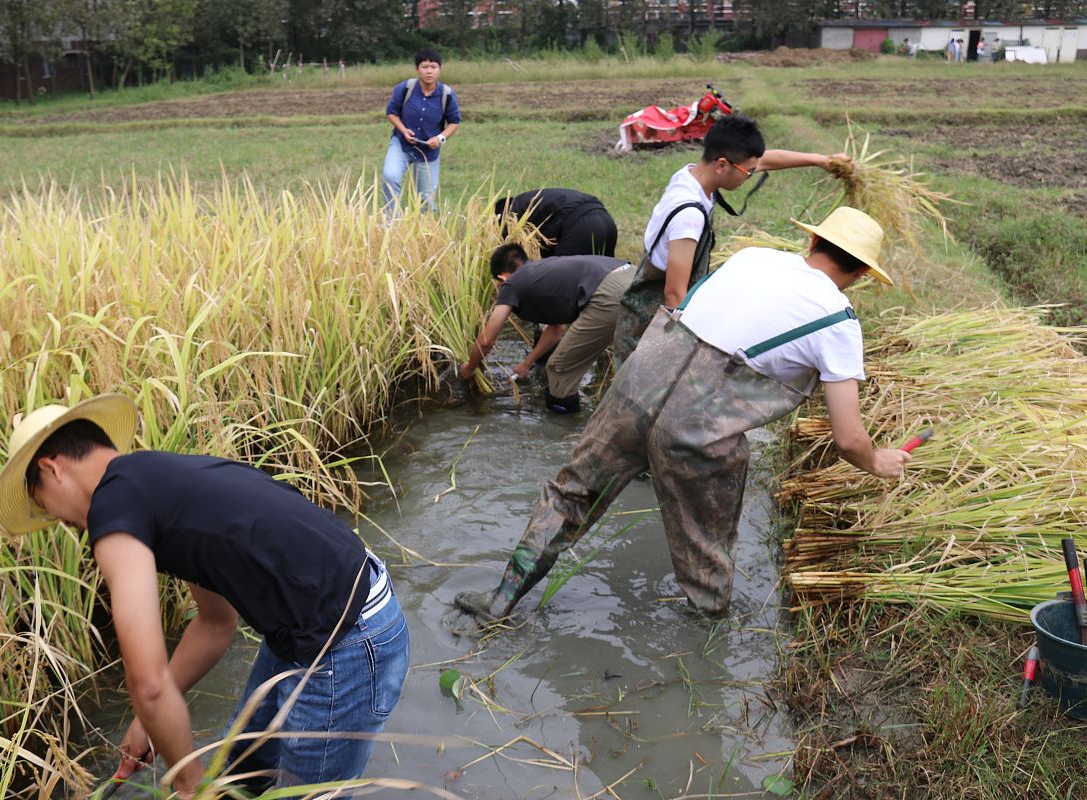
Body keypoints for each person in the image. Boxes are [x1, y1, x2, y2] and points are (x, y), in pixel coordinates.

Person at [455, 206, 911, 623]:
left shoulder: (751, 259)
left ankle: (500, 602)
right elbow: (849, 437)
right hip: (697, 431)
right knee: (705, 543)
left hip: (633, 391)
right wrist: (877, 461)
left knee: (569, 494)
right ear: (863, 274)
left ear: (812, 242)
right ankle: (707, 639)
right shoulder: (837, 321)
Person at [0, 396, 409, 796]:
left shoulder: (111, 506)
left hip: (348, 640)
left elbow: (149, 684)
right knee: (237, 777)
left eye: (43, 505)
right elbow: (215, 623)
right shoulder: (153, 481)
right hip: (322, 618)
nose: (61, 522)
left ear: (52, 468)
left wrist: (188, 786)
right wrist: (147, 722)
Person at [611, 114, 853, 365]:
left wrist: (821, 160)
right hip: (650, 323)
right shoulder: (689, 217)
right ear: (722, 165)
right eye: (748, 173)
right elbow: (674, 294)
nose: (750, 176)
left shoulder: (691, 175)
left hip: (658, 305)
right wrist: (686, 352)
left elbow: (764, 161)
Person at [458, 245, 631, 413]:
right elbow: (556, 330)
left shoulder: (512, 283)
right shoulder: (543, 272)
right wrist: (527, 363)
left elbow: (486, 340)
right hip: (634, 275)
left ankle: (563, 431)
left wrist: (470, 367)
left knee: (559, 368)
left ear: (503, 277)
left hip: (610, 294)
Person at [382, 48, 461, 216]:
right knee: (390, 176)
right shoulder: (405, 88)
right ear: (417, 69)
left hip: (428, 151)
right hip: (402, 144)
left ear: (439, 69)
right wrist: (403, 130)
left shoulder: (446, 94)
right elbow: (391, 112)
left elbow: (454, 122)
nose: (429, 71)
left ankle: (426, 233)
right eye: (425, 66)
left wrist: (440, 138)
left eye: (433, 66)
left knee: (426, 198)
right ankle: (391, 222)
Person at [495, 188, 619, 258]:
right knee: (603, 279)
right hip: (606, 221)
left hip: (580, 228)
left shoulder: (510, 217)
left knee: (560, 283)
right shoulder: (528, 201)